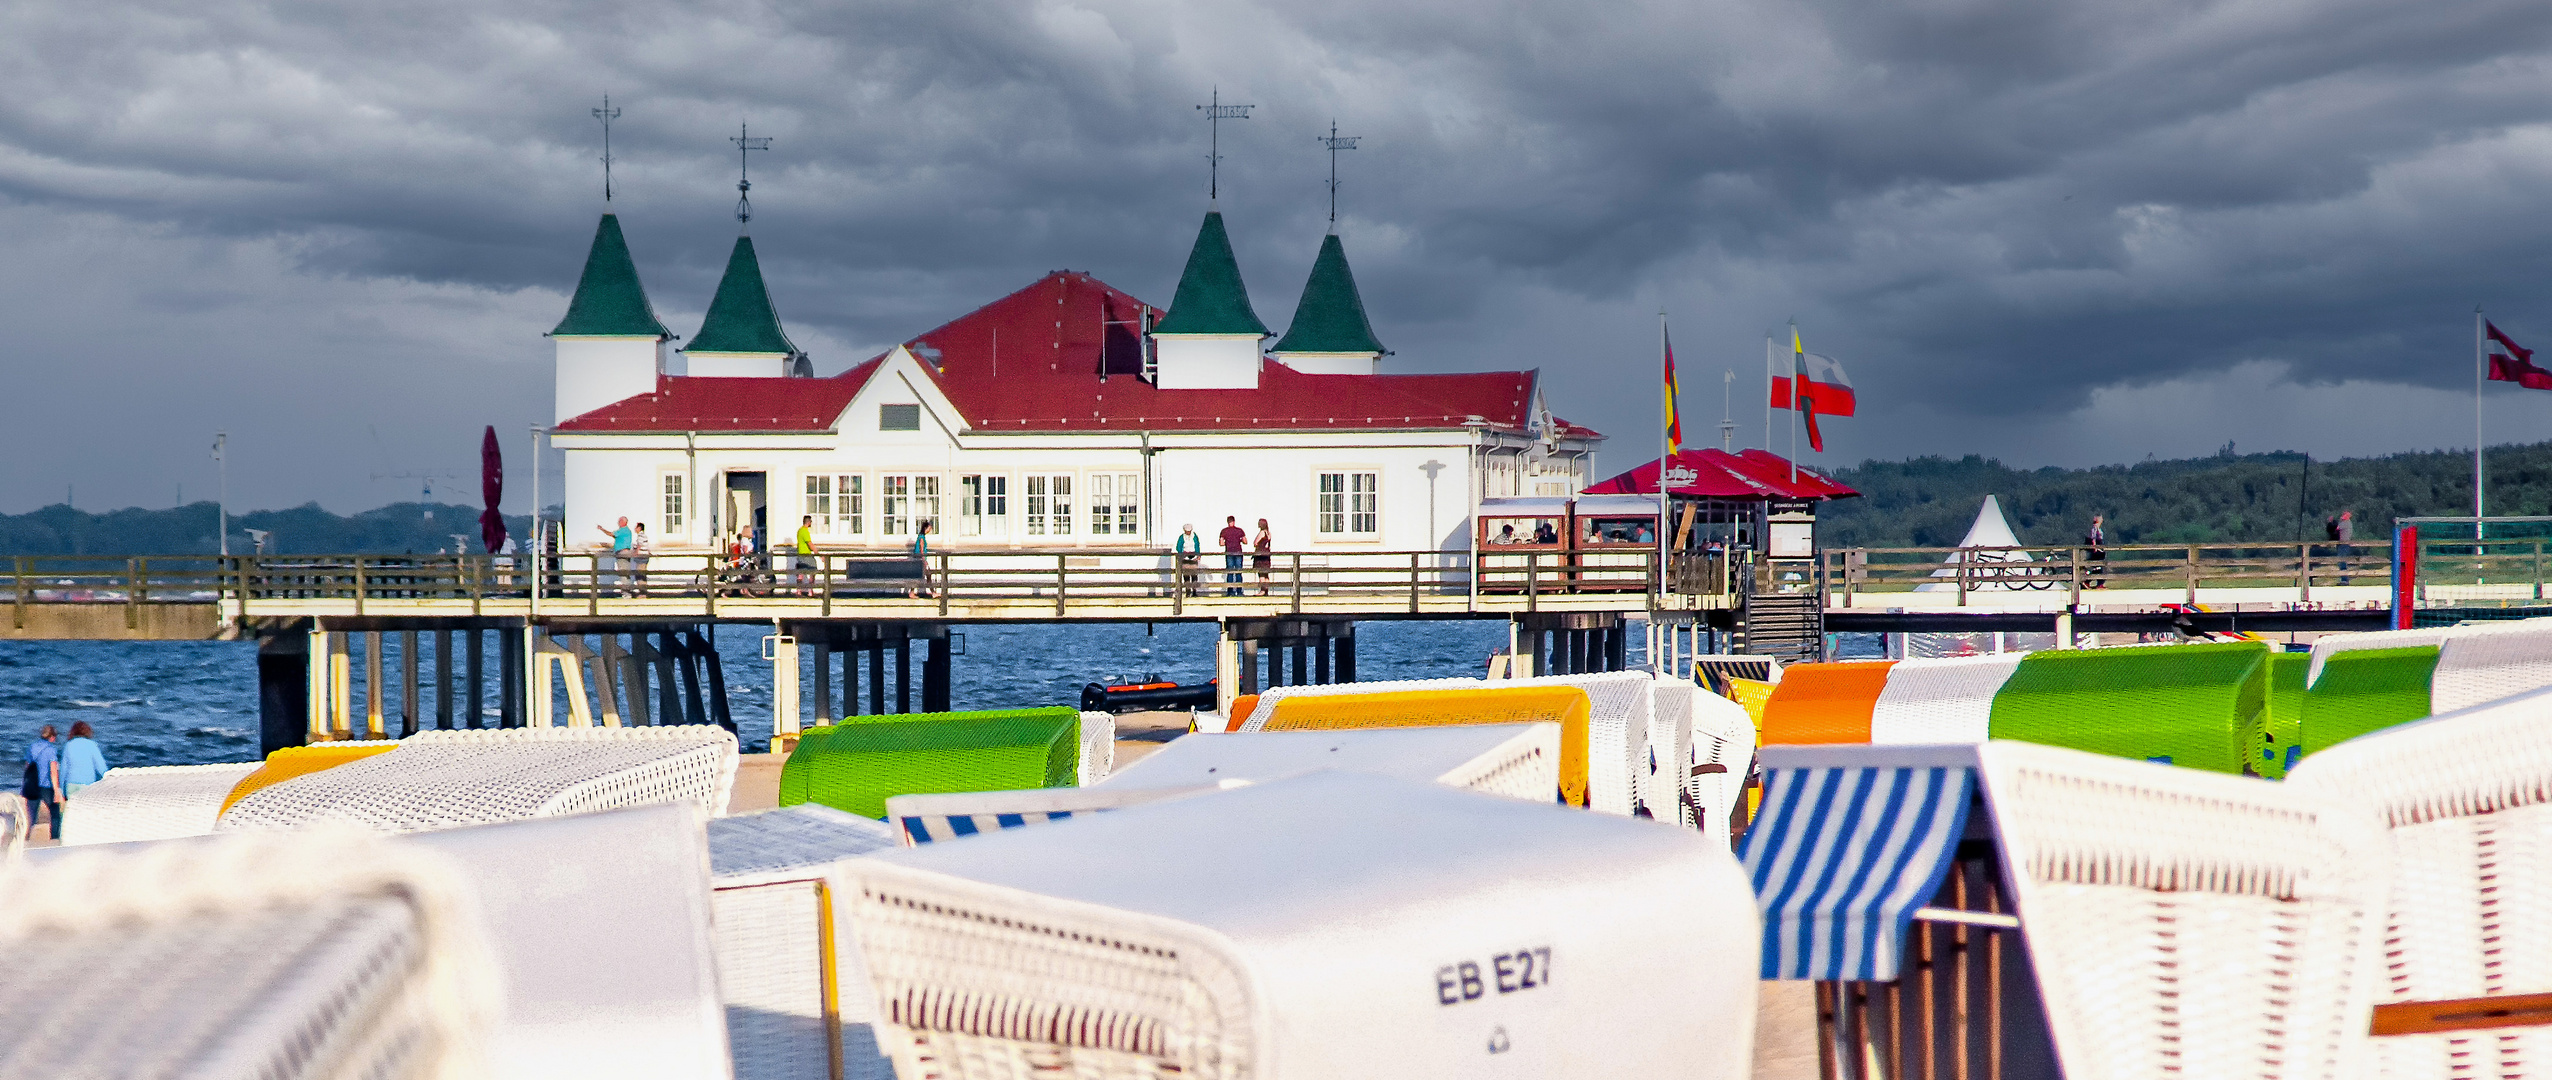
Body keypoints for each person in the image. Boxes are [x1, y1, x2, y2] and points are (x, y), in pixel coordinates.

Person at [59, 721, 105, 819]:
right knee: (85, 814)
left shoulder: (69, 745)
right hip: (87, 784)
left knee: (70, 815)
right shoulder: (92, 745)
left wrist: (62, 790)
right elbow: (101, 767)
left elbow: (63, 769)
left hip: (70, 784)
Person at [23, 725, 59, 841]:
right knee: (55, 814)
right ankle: (54, 839)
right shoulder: (51, 749)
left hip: (32, 784)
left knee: (31, 815)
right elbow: (53, 770)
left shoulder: (32, 746)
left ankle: (25, 839)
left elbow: (27, 767)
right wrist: (57, 790)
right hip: (46, 785)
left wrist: (24, 784)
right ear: (52, 737)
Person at [595, 516, 633, 595]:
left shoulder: (622, 530)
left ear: (623, 522)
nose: (618, 523)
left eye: (619, 521)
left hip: (622, 553)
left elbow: (611, 534)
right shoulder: (627, 531)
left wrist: (602, 529)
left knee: (623, 573)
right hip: (625, 552)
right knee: (625, 573)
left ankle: (626, 593)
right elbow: (618, 540)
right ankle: (627, 592)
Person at [1219, 516, 1247, 596]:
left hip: (1229, 552)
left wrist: (1228, 542)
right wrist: (1239, 540)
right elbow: (1245, 541)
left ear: (1228, 522)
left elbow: (1221, 543)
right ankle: (1239, 591)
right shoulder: (1239, 530)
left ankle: (1230, 591)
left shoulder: (1224, 531)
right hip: (1238, 552)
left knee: (1230, 572)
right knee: (1238, 572)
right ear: (1234, 521)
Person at [1173, 524, 1204, 596]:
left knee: (1194, 575)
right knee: (1186, 575)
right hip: (1185, 557)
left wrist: (1198, 554)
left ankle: (1194, 590)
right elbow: (1179, 547)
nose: (1188, 533)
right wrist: (1181, 554)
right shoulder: (1182, 537)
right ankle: (1187, 590)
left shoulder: (1194, 537)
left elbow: (1197, 545)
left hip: (1193, 557)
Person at [796, 515, 818, 595]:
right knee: (813, 570)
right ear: (808, 522)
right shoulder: (805, 531)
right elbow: (810, 544)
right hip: (806, 554)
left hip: (800, 554)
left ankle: (799, 591)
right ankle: (810, 591)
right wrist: (817, 553)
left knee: (801, 572)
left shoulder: (799, 530)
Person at [2084, 514, 2107, 589]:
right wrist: (2095, 548)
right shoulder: (2094, 528)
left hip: (2099, 549)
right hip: (2096, 550)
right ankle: (2095, 582)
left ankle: (2095, 582)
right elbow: (2093, 538)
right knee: (2098, 566)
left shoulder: (2097, 528)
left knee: (2098, 567)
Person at [2332, 509, 2355, 584]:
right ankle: (2344, 579)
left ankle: (2344, 579)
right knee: (2342, 561)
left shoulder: (2345, 523)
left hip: (2344, 544)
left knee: (2342, 561)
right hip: (2344, 544)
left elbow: (2336, 528)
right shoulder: (2348, 523)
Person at [1253, 518, 1274, 595]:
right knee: (1266, 574)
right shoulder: (1269, 533)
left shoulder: (1262, 532)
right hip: (1267, 555)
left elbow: (1255, 542)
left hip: (1261, 555)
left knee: (1261, 573)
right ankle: (1266, 589)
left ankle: (1262, 590)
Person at [630, 523, 651, 596]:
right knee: (642, 574)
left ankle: (642, 592)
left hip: (641, 557)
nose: (635, 529)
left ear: (639, 528)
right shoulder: (643, 536)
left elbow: (639, 544)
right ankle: (643, 591)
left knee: (640, 574)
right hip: (644, 556)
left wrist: (636, 552)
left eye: (636, 527)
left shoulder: (640, 536)